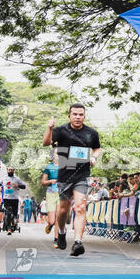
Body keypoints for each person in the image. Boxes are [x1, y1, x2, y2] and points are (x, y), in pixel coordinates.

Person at [42, 103, 101, 256]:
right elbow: (46, 143)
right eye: (74, 114)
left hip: (82, 175)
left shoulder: (91, 133)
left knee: (80, 207)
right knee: (63, 210)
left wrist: (94, 157)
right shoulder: (61, 131)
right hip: (64, 176)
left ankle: (77, 243)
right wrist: (49, 128)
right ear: (69, 116)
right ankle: (61, 232)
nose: (77, 117)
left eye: (80, 114)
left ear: (84, 116)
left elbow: (97, 148)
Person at [0, 166, 26, 235]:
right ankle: (9, 229)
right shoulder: (4, 178)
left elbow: (24, 186)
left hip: (15, 199)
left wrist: (17, 185)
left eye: (11, 170)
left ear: (13, 171)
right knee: (8, 213)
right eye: (9, 169)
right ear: (7, 170)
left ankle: (14, 222)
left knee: (14, 215)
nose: (10, 171)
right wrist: (0, 187)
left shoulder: (17, 179)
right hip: (6, 198)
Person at [42, 153, 60, 245]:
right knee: (52, 221)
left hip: (61, 194)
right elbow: (43, 182)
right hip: (51, 193)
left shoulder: (65, 167)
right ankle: (50, 225)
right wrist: (50, 181)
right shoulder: (49, 167)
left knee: (58, 217)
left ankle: (56, 239)